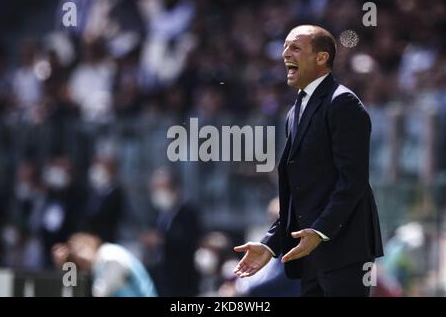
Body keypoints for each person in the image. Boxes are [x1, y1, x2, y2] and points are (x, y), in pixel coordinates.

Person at [234, 25, 384, 297]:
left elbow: (353, 181)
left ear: (321, 57)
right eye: (284, 47)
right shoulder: (296, 109)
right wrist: (270, 244)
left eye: (295, 47)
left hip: (344, 249)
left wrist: (319, 231)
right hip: (310, 253)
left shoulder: (343, 103)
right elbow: (299, 196)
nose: (285, 54)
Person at [140, 167, 202, 296]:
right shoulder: (158, 213)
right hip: (161, 278)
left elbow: (189, 240)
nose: (158, 193)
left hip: (182, 280)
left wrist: (161, 240)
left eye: (162, 188)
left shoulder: (188, 212)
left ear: (174, 188)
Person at [52, 232, 157, 297]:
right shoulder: (96, 266)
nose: (81, 256)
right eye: (76, 255)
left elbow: (100, 293)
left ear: (90, 243)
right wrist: (66, 266)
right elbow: (71, 290)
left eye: (81, 249)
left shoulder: (110, 255)